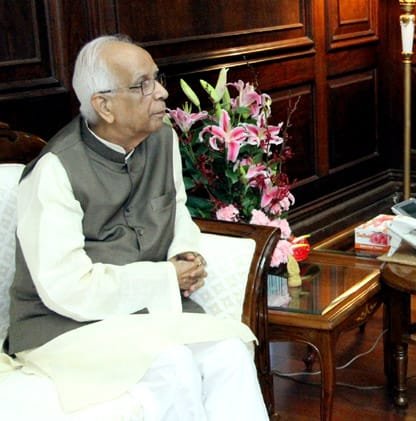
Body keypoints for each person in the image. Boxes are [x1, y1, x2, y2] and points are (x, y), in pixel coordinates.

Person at [5, 34, 269, 420]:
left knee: (228, 351)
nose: (161, 92)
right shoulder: (54, 170)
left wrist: (185, 253)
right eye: (142, 85)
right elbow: (66, 289)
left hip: (143, 314)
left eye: (157, 78)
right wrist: (165, 277)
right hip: (64, 327)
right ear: (104, 105)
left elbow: (176, 211)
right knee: (171, 363)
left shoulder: (162, 140)